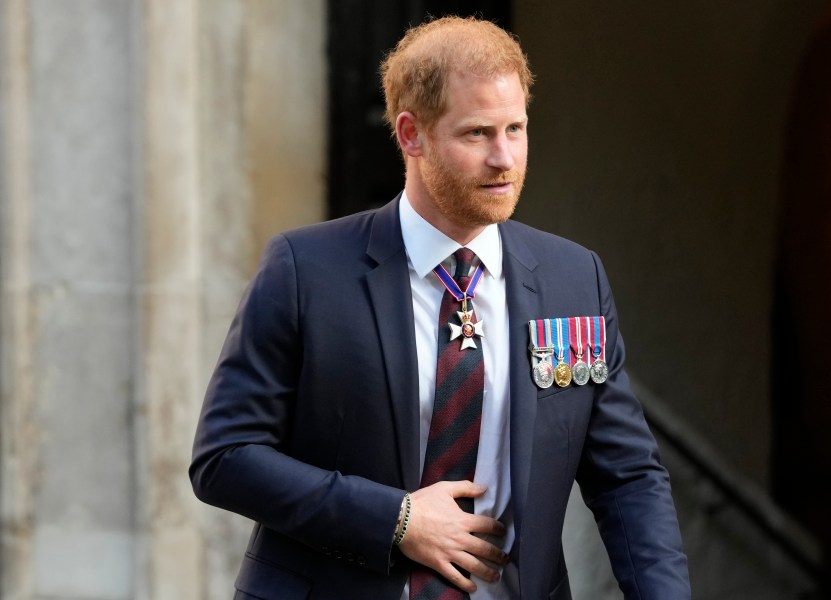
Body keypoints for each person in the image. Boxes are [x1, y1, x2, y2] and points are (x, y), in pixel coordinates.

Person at [190, 16, 690, 600]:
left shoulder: (574, 279)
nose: (504, 158)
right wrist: (396, 519)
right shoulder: (305, 270)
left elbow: (626, 477)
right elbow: (225, 457)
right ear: (411, 134)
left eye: (516, 128)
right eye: (477, 133)